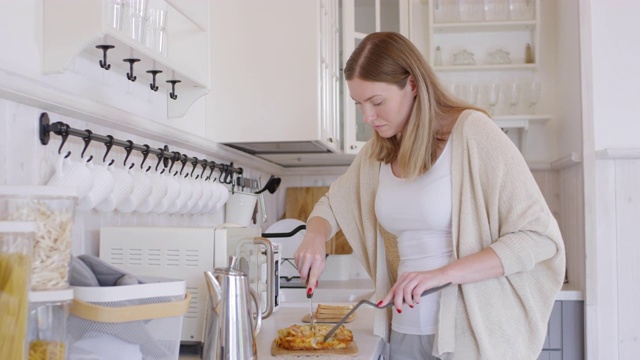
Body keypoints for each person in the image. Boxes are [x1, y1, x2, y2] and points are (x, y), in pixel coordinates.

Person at [294, 32, 565, 360]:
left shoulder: (473, 134)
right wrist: (315, 235)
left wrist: (441, 275)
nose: (367, 117)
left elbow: (538, 237)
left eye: (377, 102)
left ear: (412, 85)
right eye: (359, 105)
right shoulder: (376, 154)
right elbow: (333, 205)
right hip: (403, 332)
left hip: (471, 339)